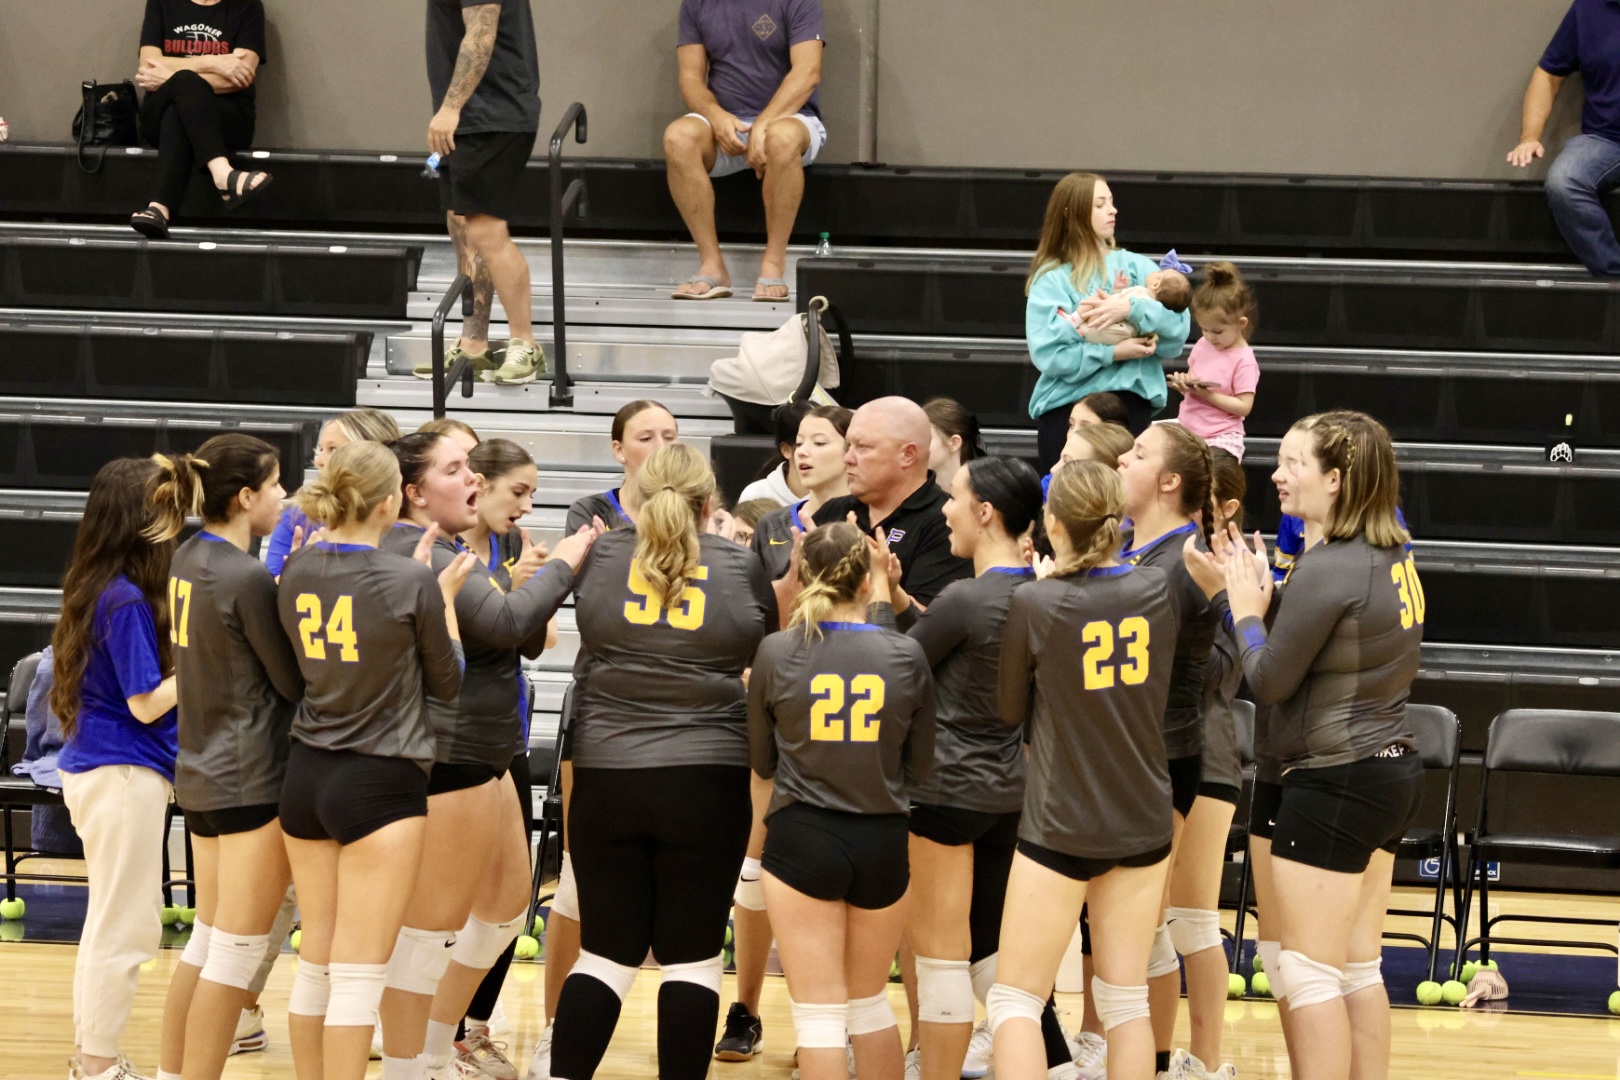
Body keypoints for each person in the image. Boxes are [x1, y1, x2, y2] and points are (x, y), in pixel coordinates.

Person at [1183, 411, 1425, 1080]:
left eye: (1295, 464)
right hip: (1383, 770)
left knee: (1308, 970)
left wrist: (1247, 610)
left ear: (1337, 480)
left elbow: (1266, 678)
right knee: (1355, 965)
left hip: (1336, 777)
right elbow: (1336, 641)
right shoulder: (1392, 551)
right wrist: (1271, 594)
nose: (1278, 475)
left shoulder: (1331, 567)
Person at [549, 444, 777, 1080]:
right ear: (710, 505)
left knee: (603, 954)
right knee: (693, 959)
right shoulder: (740, 562)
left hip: (605, 774)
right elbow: (773, 649)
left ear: (636, 498)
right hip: (708, 777)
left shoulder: (598, 556)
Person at [375, 433, 592, 1080]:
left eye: (473, 467)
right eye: (455, 468)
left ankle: (440, 1048)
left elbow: (519, 635)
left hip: (493, 745)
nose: (471, 479)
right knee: (427, 933)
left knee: (501, 914)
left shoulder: (466, 548)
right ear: (414, 491)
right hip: (448, 750)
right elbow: (501, 625)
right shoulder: (420, 550)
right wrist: (565, 565)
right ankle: (411, 1064)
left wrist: (518, 586)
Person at [276, 441, 476, 1080]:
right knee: (361, 973)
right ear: (391, 502)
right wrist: (441, 599)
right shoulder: (411, 578)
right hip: (380, 780)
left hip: (305, 776)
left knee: (317, 962)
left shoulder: (299, 566)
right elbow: (449, 682)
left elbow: (291, 675)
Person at [868, 459, 1072, 1080]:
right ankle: (1059, 1068)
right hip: (1010, 794)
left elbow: (890, 666)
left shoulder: (966, 596)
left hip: (944, 792)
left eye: (954, 499)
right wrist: (903, 599)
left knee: (940, 962)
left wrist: (878, 597)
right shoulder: (1041, 595)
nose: (945, 511)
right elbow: (940, 640)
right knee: (990, 953)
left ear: (986, 513)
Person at [990, 460, 1178, 1080]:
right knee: (1124, 1001)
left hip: (1060, 821)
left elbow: (1009, 710)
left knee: (1015, 998)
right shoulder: (1156, 588)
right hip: (1142, 819)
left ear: (1051, 523)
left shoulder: (1035, 600)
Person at [746, 522, 936, 1080]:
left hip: (802, 836)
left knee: (820, 1017)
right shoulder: (906, 654)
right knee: (869, 1004)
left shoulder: (776, 651)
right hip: (882, 839)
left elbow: (761, 762)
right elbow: (921, 769)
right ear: (867, 580)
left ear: (802, 573)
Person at [148, 436, 303, 1080]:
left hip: (201, 772)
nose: (284, 497)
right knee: (234, 957)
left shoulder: (188, 554)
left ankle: (169, 1075)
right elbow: (291, 682)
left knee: (208, 946)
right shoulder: (245, 577)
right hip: (249, 778)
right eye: (275, 487)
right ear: (245, 497)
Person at [53, 458, 179, 1080]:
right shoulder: (126, 598)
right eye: (164, 506)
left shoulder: (99, 582)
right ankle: (98, 1064)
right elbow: (146, 702)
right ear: (138, 517)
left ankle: (92, 1059)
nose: (174, 519)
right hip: (122, 771)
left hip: (102, 768)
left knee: (112, 923)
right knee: (125, 929)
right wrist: (203, 659)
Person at [1116, 422, 1218, 1080]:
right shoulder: (1138, 550)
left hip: (1159, 759)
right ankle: (1147, 1060)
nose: (1123, 460)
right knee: (1137, 928)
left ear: (1170, 482)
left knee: (1140, 927)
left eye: (1139, 454)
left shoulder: (1181, 563)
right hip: (1134, 758)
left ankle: (1153, 1061)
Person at [1159, 449, 1247, 1080]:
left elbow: (1220, 669)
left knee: (1191, 921)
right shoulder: (1165, 558)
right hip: (1163, 752)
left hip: (1207, 753)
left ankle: (1210, 1062)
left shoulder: (1227, 571)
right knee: (1157, 921)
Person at [1025, 172, 1192, 469]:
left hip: (1130, 413)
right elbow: (1048, 354)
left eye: (1111, 202)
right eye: (1100, 204)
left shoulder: (1139, 267)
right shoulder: (1051, 278)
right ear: (1071, 214)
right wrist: (1113, 352)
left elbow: (1177, 333)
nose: (1112, 210)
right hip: (1067, 411)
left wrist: (1129, 308)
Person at [665, 0, 827, 301]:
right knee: (678, 137)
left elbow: (808, 73)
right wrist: (716, 116)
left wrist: (764, 124)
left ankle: (773, 264)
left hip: (790, 118)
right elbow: (690, 78)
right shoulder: (696, 4)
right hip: (727, 125)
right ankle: (712, 266)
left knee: (781, 137)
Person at [425, 0, 546, 385]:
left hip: (494, 114)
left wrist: (449, 106)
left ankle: (525, 343)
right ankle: (474, 344)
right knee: (463, 227)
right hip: (470, 120)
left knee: (485, 230)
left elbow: (481, 30)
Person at [811, 398, 973, 609]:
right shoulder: (833, 511)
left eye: (862, 447)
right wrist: (797, 569)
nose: (848, 458)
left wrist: (885, 586)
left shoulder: (946, 521)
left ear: (907, 455)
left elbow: (933, 628)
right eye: (849, 446)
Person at [130, 0, 270, 238]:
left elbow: (241, 76)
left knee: (181, 106)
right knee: (185, 86)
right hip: (157, 115)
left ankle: (158, 208)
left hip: (228, 119)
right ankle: (224, 175)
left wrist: (175, 76)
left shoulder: (247, 6)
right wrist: (212, 62)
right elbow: (148, 64)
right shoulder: (161, 3)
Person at [1508, 0, 1620, 276]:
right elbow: (1548, 74)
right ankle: (1614, 276)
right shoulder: (1588, 9)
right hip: (1605, 141)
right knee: (1564, 181)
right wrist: (1529, 136)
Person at [266, 409, 403, 578]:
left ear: (372, 457)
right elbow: (272, 588)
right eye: (320, 449)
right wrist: (296, 571)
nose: (318, 460)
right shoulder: (297, 517)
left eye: (333, 449)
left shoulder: (401, 521)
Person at [1168, 263, 1259, 461]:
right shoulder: (1203, 344)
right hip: (1188, 428)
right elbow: (1194, 379)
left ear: (1241, 324)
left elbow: (1244, 406)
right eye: (1204, 329)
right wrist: (1185, 383)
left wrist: (1208, 395)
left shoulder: (1244, 360)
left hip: (1221, 435)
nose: (1210, 336)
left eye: (1217, 331)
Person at [749, 404, 852, 580]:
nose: (802, 452)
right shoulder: (770, 524)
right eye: (799, 443)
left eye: (819, 443)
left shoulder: (871, 521)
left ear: (851, 451)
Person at [565, 400, 681, 532]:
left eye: (669, 437)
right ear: (619, 450)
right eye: (646, 438)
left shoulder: (695, 509)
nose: (661, 447)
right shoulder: (590, 511)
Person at [1060, 269, 1191, 345]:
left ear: (1156, 284)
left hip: (1101, 323)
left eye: (1159, 272)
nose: (1155, 270)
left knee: (1098, 298)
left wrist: (1117, 291)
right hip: (1116, 336)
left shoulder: (1141, 292)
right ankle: (1083, 332)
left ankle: (1074, 320)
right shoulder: (1155, 312)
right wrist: (1120, 289)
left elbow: (1114, 303)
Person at [738, 401, 815, 505]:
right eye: (800, 444)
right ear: (786, 450)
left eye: (821, 443)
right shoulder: (755, 495)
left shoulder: (840, 495)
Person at [923, 398, 986, 485]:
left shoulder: (982, 493)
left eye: (926, 439)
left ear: (954, 443)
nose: (917, 446)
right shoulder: (910, 492)